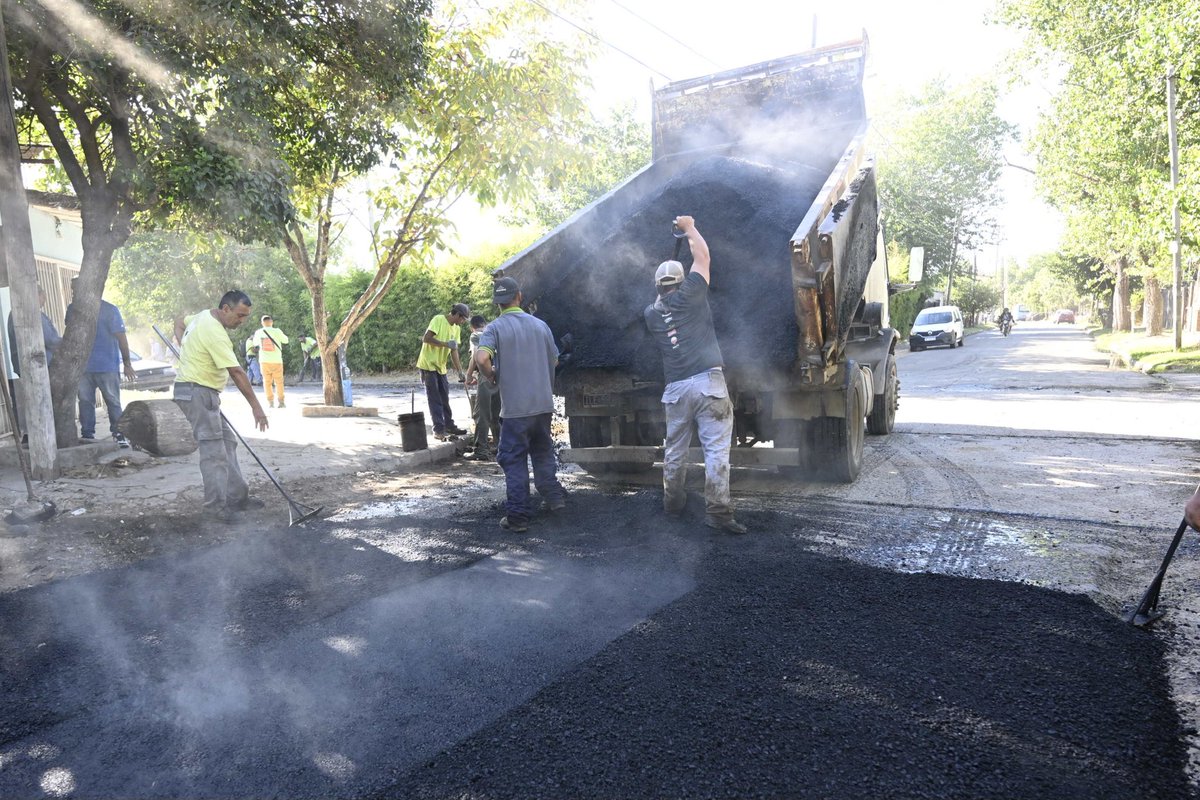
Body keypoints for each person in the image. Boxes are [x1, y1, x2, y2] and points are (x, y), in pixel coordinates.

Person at [643, 215, 746, 534]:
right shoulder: (692, 294)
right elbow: (703, 257)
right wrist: (689, 228)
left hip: (675, 390)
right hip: (708, 385)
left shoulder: (651, 314)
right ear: (682, 280)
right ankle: (718, 513)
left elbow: (662, 299)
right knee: (716, 451)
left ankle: (672, 504)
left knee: (674, 450)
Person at [475, 278, 565, 532]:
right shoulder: (541, 326)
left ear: (497, 303)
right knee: (542, 451)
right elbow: (555, 361)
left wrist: (491, 374)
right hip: (543, 405)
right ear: (520, 297)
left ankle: (518, 517)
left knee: (513, 459)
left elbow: (481, 357)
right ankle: (555, 499)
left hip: (515, 409)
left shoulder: (494, 328)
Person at [173, 290, 269, 523]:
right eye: (240, 315)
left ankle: (237, 497)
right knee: (214, 453)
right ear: (226, 308)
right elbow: (236, 372)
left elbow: (178, 322)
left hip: (203, 391)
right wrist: (257, 407)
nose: (242, 321)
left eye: (246, 316)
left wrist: (185, 347)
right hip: (197, 392)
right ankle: (214, 510)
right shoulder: (215, 332)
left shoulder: (202, 316)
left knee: (227, 443)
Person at [66, 278, 135, 448]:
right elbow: (70, 336)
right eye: (73, 290)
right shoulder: (73, 310)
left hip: (106, 367)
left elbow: (122, 338)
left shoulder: (109, 310)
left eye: (76, 290)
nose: (74, 293)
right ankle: (88, 435)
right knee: (86, 402)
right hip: (83, 367)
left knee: (111, 401)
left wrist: (127, 363)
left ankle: (119, 434)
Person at [7, 285, 62, 444]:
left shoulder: (13, 313)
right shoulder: (33, 313)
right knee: (43, 402)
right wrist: (67, 342)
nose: (44, 300)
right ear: (36, 296)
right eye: (43, 296)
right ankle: (43, 438)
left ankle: (29, 436)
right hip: (39, 366)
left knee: (32, 402)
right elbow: (51, 340)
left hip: (23, 366)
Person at [417, 303, 470, 441]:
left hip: (441, 366)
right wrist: (445, 344)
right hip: (428, 364)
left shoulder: (456, 329)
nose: (463, 322)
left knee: (444, 397)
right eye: (463, 319)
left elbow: (454, 351)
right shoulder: (438, 319)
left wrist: (460, 371)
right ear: (457, 315)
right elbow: (426, 338)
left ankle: (449, 425)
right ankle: (438, 430)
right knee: (434, 397)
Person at [463, 314, 501, 460]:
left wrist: (468, 374)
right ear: (484, 323)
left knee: (481, 414)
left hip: (486, 375)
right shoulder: (494, 333)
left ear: (472, 327)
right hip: (499, 374)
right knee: (496, 414)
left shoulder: (476, 335)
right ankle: (500, 446)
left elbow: (477, 354)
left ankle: (481, 450)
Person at [253, 314, 289, 408]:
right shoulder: (277, 331)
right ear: (271, 322)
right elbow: (286, 341)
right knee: (279, 382)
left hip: (264, 361)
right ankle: (281, 402)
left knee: (267, 382)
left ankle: (270, 402)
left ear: (262, 323)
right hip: (277, 361)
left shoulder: (258, 332)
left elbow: (255, 343)